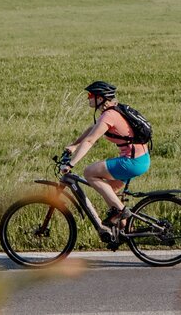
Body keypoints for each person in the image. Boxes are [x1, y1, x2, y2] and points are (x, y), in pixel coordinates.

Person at [61, 81, 150, 228]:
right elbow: (93, 128)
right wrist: (75, 145)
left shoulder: (109, 115)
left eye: (91, 95)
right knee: (110, 193)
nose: (88, 98)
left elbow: (90, 141)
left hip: (132, 162)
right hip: (140, 159)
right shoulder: (113, 111)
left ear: (100, 98)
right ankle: (125, 231)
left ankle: (122, 212)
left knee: (89, 172)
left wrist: (70, 164)